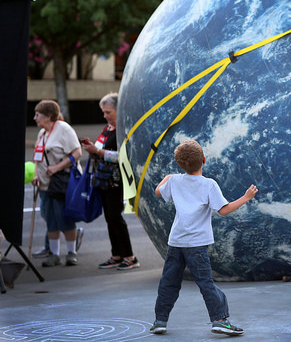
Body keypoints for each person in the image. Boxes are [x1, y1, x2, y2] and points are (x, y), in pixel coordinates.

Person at [150, 140, 258, 336]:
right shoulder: (209, 185)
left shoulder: (174, 180)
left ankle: (160, 321)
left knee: (168, 282)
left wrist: (167, 177)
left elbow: (158, 192)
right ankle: (219, 320)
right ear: (204, 160)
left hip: (176, 242)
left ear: (179, 164)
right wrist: (246, 197)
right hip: (196, 244)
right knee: (205, 282)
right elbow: (224, 210)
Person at [81, 92, 139, 270]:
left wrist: (97, 152)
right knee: (109, 218)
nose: (105, 116)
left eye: (108, 112)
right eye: (104, 112)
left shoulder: (124, 129)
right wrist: (92, 148)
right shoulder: (107, 129)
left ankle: (129, 256)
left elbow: (124, 156)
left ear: (118, 110)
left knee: (115, 217)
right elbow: (101, 148)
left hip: (116, 181)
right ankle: (116, 254)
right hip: (103, 180)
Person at [31, 100, 82, 267]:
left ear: (49, 116)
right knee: (50, 219)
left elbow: (77, 153)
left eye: (38, 115)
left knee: (64, 218)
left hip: (61, 182)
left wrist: (56, 168)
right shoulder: (42, 133)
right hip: (45, 184)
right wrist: (37, 176)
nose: (35, 118)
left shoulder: (64, 129)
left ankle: (71, 252)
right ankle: (54, 254)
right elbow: (39, 159)